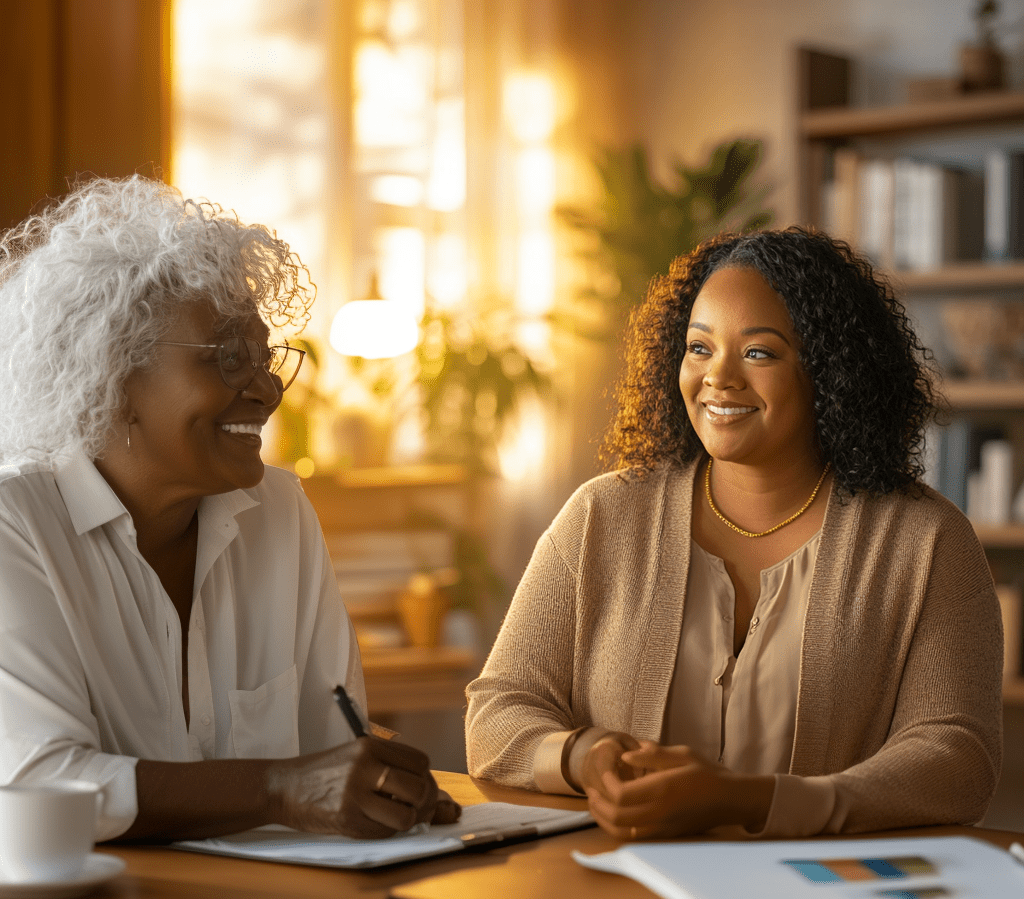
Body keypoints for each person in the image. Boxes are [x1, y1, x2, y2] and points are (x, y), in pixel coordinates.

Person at [466, 226, 1002, 844]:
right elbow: (497, 712)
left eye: (758, 353)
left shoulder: (925, 541)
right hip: (613, 893)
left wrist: (757, 801)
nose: (718, 378)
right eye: (699, 348)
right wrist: (585, 758)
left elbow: (958, 760)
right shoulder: (601, 518)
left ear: (830, 372)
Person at [0, 175, 460, 849]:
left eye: (267, 356)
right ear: (111, 376)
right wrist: (279, 787)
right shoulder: (16, 523)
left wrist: (375, 782)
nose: (268, 388)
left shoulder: (280, 510)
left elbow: (329, 744)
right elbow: (38, 782)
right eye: (228, 358)